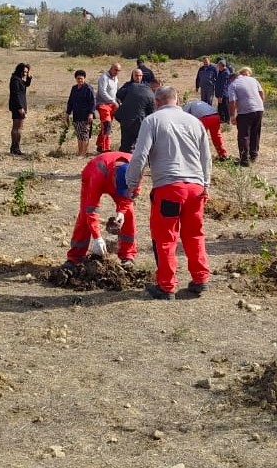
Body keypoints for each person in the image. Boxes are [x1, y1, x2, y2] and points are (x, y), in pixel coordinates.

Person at [127, 86, 213, 300]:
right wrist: (206, 185)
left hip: (169, 188)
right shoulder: (195, 122)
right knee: (194, 234)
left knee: (165, 237)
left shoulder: (153, 121)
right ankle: (200, 279)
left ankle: (166, 286)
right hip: (195, 188)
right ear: (177, 100)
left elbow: (139, 156)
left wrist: (131, 184)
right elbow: (206, 157)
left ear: (157, 102)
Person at [63, 151, 138, 268]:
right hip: (93, 177)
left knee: (129, 213)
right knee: (84, 215)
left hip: (116, 180)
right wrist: (97, 237)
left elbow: (133, 194)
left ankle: (128, 256)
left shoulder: (136, 169)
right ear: (114, 176)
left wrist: (122, 212)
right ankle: (75, 257)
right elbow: (91, 209)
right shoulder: (97, 172)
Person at [228, 66, 265, 167]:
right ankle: (253, 156)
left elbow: (232, 101)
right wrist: (259, 104)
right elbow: (261, 93)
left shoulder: (233, 84)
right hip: (259, 109)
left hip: (245, 112)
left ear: (232, 78)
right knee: (255, 133)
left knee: (243, 136)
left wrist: (232, 116)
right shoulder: (253, 79)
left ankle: (244, 161)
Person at [115, 69, 156, 153]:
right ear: (132, 76)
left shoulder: (146, 87)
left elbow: (150, 106)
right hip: (128, 118)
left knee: (136, 142)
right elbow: (119, 95)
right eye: (136, 75)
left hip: (139, 119)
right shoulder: (128, 86)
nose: (138, 77)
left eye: (140, 76)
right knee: (127, 142)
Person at [65, 69, 96, 157]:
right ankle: (80, 152)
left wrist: (91, 113)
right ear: (75, 78)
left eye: (81, 78)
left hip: (86, 115)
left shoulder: (88, 88)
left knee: (85, 134)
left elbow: (92, 102)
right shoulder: (74, 88)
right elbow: (70, 101)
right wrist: (67, 113)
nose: (80, 80)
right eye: (78, 78)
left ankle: (83, 153)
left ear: (84, 78)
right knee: (79, 134)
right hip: (76, 115)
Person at [95, 62, 121, 152]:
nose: (117, 72)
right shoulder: (104, 77)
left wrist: (118, 102)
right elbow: (102, 92)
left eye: (118, 70)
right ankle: (106, 148)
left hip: (112, 105)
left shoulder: (116, 78)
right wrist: (113, 101)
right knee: (107, 125)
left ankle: (100, 144)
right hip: (103, 104)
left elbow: (116, 91)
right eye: (115, 70)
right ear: (111, 68)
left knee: (105, 126)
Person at [8, 62, 32, 155]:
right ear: (19, 70)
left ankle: (14, 147)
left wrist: (29, 77)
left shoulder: (19, 79)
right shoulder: (15, 80)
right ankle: (15, 147)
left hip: (21, 105)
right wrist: (20, 107)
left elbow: (26, 85)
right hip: (18, 106)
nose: (25, 74)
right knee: (17, 128)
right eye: (24, 72)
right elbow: (16, 94)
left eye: (26, 72)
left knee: (18, 128)